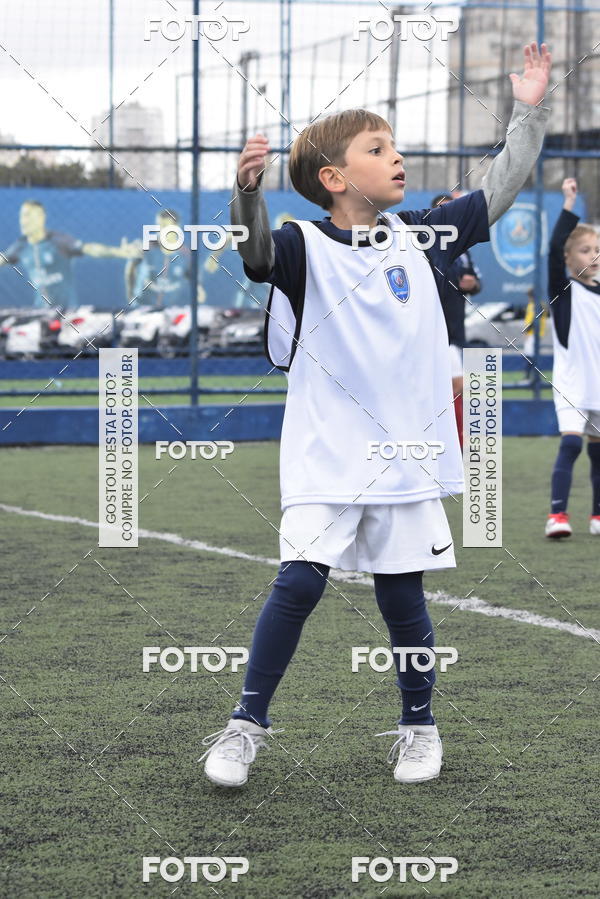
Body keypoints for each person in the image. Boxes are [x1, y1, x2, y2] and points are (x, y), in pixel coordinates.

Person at [199, 42, 552, 787]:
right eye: (377, 147)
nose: (397, 156)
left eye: (393, 144)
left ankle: (419, 729)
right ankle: (243, 725)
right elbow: (256, 253)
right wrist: (247, 192)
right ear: (333, 178)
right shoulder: (302, 245)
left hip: (407, 454)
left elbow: (503, 186)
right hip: (328, 450)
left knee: (402, 591)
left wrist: (529, 109)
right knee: (297, 582)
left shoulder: (427, 233)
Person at [545, 177, 600, 538]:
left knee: (599, 454)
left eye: (598, 249)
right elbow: (552, 251)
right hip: (571, 386)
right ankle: (558, 517)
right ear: (568, 258)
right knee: (570, 443)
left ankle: (597, 517)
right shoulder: (564, 292)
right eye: (585, 250)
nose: (593, 256)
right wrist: (568, 206)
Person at [0, 199, 136, 311]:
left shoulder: (58, 241)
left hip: (68, 313)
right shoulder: (20, 246)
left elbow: (89, 248)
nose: (24, 221)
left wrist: (119, 252)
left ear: (41, 218)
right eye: (22, 216)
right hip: (41, 313)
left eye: (28, 215)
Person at [432, 192, 483, 449]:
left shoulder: (463, 249)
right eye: (444, 209)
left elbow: (474, 279)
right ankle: (453, 446)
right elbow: (436, 279)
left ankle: (455, 446)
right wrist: (458, 280)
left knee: (458, 388)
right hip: (436, 330)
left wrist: (472, 284)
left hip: (456, 328)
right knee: (455, 387)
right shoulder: (429, 246)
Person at [522, 287, 548, 382]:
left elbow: (535, 319)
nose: (529, 298)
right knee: (529, 354)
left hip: (534, 334)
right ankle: (530, 376)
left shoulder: (539, 305)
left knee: (531, 355)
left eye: (530, 296)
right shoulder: (532, 304)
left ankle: (533, 377)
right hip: (531, 333)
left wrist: (527, 330)